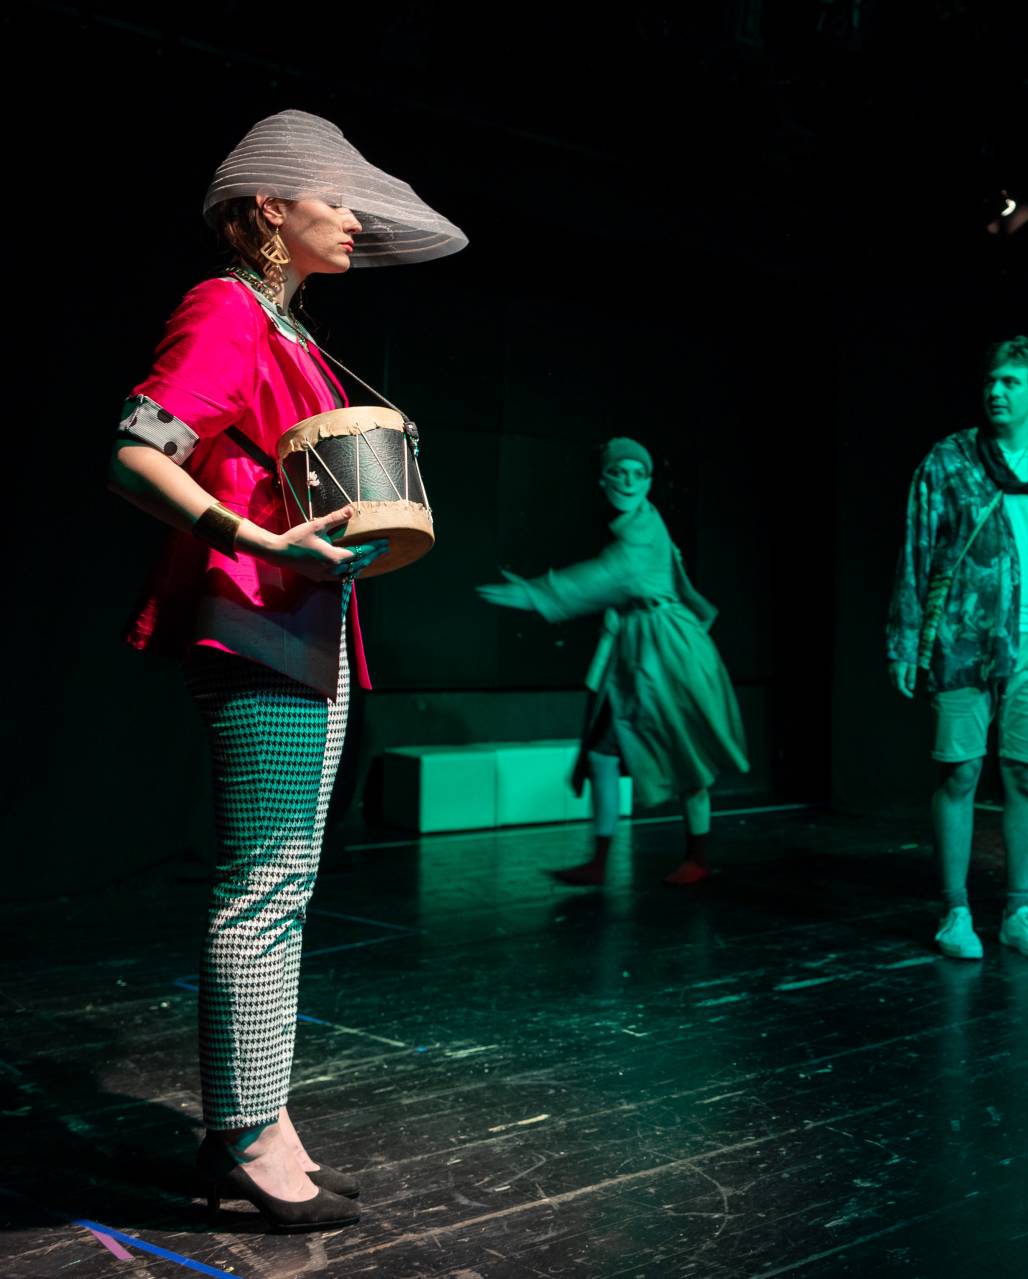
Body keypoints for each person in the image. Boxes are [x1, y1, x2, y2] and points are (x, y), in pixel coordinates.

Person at [109, 109, 466, 1231]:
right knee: (264, 883)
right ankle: (246, 1134)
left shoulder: (292, 330)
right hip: (257, 622)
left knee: (285, 883)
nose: (355, 220)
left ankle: (259, 1119)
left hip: (308, 625)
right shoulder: (227, 308)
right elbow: (138, 448)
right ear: (269, 207)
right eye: (334, 199)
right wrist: (260, 537)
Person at [886, 337, 1028, 960]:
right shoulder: (951, 459)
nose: (996, 391)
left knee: (1027, 775)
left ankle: (1019, 912)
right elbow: (917, 550)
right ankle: (955, 911)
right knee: (961, 771)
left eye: (1011, 382)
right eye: (991, 381)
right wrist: (904, 641)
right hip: (963, 641)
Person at [478, 439, 749, 885]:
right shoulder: (634, 524)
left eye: (637, 474)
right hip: (634, 649)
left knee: (686, 753)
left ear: (649, 482)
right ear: (604, 480)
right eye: (618, 472)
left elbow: (609, 574)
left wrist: (538, 594)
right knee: (602, 754)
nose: (627, 482)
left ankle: (697, 857)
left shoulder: (642, 531)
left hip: (668, 650)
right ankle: (600, 860)